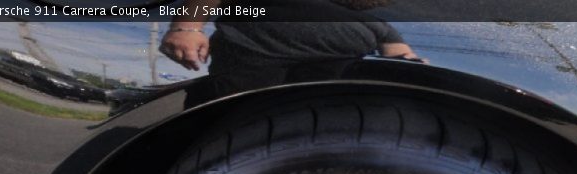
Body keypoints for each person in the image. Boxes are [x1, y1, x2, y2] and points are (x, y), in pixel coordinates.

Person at [159, 0, 422, 74]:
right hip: (250, 64)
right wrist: (187, 26)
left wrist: (408, 66)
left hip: (319, 92)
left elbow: (399, 54)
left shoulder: (375, 25)